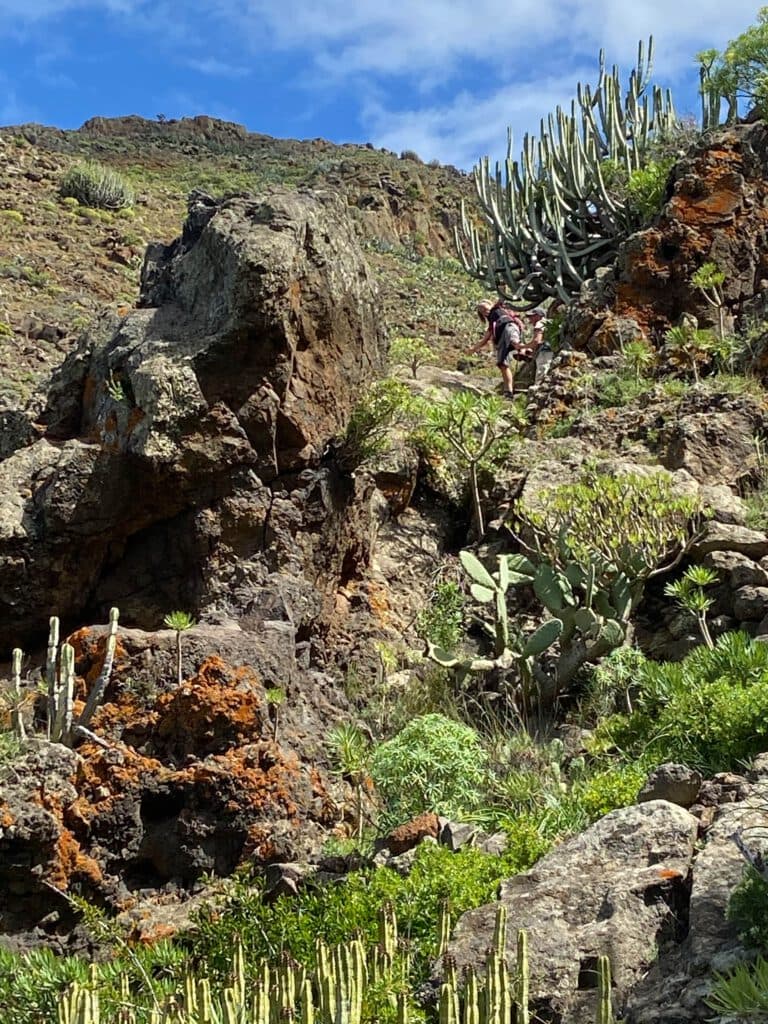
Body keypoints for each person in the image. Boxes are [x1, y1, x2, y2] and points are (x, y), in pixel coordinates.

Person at [468, 299, 530, 398]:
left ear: (490, 305)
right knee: (502, 364)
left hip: (509, 327)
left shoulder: (498, 308)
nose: (485, 311)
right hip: (501, 340)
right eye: (482, 311)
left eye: (485, 308)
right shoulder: (492, 323)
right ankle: (508, 391)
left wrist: (501, 284)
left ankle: (524, 351)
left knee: (514, 340)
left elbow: (502, 297)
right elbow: (485, 339)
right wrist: (473, 349)